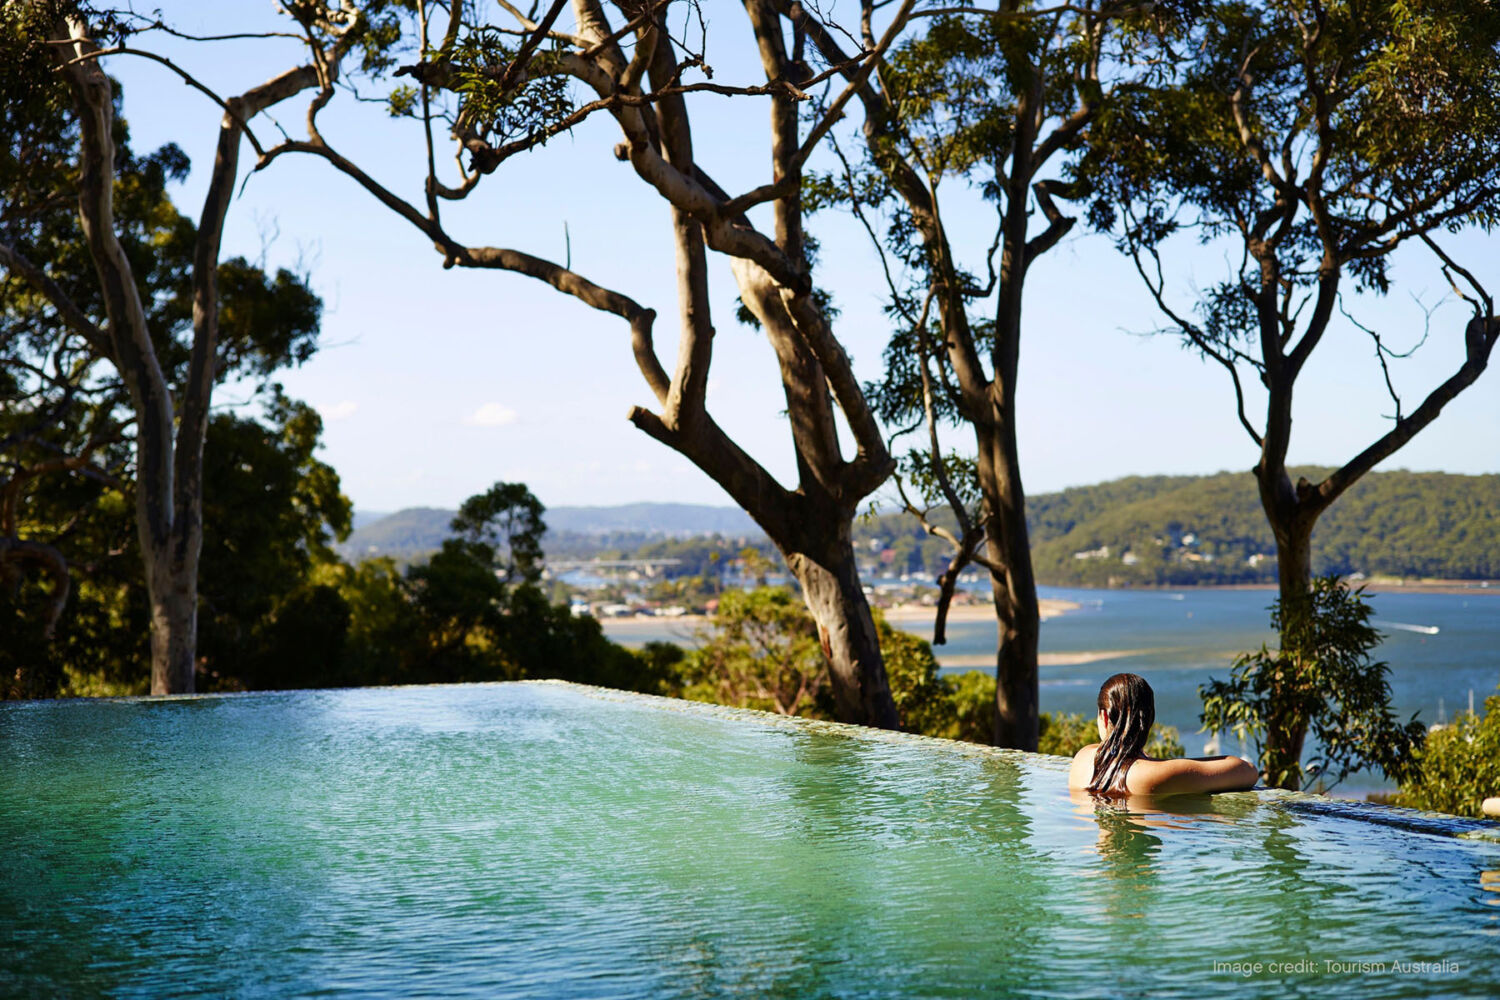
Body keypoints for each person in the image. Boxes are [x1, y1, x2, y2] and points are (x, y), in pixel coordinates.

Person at [1067, 672, 1259, 796]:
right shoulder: (1158, 774)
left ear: (1104, 717)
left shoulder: (1082, 759)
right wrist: (1169, 764)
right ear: (1149, 720)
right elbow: (1248, 771)